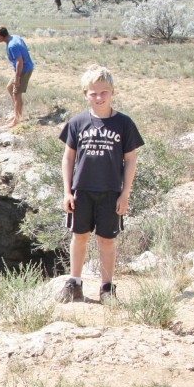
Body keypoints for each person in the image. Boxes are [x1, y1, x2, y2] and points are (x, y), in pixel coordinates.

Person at [56, 65, 144, 303]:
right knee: (79, 236)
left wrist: (125, 193)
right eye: (93, 93)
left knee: (107, 239)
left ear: (112, 91)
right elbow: (68, 157)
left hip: (110, 192)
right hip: (82, 191)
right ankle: (74, 283)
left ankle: (106, 288)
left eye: (103, 92)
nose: (98, 97)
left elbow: (130, 159)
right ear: (85, 94)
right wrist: (67, 191)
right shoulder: (77, 122)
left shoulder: (124, 124)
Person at [0, 26, 34, 127]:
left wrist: (17, 77)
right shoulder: (15, 37)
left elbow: (19, 62)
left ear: (1, 36)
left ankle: (17, 120)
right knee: (10, 87)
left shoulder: (12, 45)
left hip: (23, 70)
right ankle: (18, 112)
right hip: (22, 69)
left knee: (17, 94)